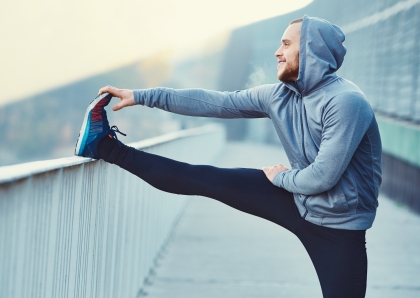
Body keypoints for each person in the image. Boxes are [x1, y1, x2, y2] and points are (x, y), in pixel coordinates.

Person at [75, 15, 382, 298]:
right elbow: (213, 103)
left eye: (287, 44)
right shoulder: (279, 96)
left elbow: (322, 177)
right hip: (298, 200)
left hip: (341, 229)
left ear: (312, 50)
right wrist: (142, 96)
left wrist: (280, 177)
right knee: (202, 177)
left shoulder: (346, 103)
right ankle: (104, 147)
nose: (277, 52)